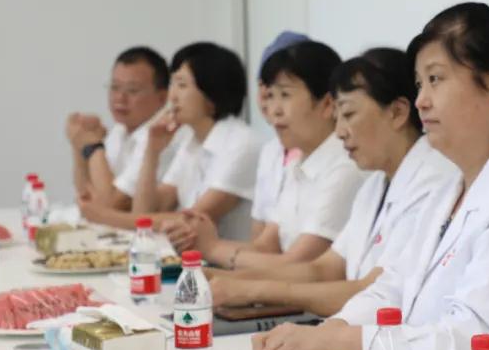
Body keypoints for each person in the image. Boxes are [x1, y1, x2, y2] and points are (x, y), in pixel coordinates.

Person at [251, 3, 489, 350]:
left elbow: (474, 344)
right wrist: (329, 331)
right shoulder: (451, 188)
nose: (422, 100)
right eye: (420, 84)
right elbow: (393, 287)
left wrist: (337, 343)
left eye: (435, 79)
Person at [208, 47, 457, 316]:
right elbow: (325, 268)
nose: (339, 132)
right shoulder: (375, 184)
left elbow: (375, 291)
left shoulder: (434, 181)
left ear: (397, 112)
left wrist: (252, 291)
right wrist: (227, 280)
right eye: (337, 118)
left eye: (348, 115)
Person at [186, 39, 366, 268]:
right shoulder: (298, 162)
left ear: (327, 104)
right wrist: (206, 243)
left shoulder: (344, 167)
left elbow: (297, 264)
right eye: (270, 96)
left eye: (285, 95)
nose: (274, 111)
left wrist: (212, 249)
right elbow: (266, 246)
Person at [78, 42, 260, 243]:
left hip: (224, 261)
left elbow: (192, 221)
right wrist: (152, 151)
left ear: (211, 94)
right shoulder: (192, 141)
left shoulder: (241, 144)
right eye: (172, 84)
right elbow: (146, 212)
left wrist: (104, 216)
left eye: (182, 85)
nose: (172, 97)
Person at [66, 46, 183, 209]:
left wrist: (94, 146)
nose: (120, 98)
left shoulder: (165, 135)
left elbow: (112, 204)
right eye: (115, 87)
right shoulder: (121, 129)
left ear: (163, 97)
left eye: (132, 90)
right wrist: (79, 143)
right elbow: (86, 196)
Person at [250, 31, 308, 239]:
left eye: (284, 93)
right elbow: (260, 235)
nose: (267, 98)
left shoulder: (327, 157)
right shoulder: (270, 150)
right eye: (263, 86)